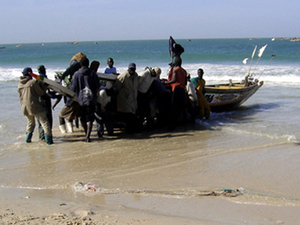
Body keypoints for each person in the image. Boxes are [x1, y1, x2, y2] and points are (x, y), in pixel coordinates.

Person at [17, 67, 53, 145]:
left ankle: (28, 140)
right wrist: (44, 86)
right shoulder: (32, 82)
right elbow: (41, 93)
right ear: (30, 74)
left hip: (24, 107)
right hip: (35, 106)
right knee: (45, 122)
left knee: (30, 123)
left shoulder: (19, 84)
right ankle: (49, 142)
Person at [71, 57, 100, 142]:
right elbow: (97, 86)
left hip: (81, 100)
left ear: (81, 64)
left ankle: (85, 133)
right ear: (88, 64)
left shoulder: (76, 74)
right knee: (90, 119)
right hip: (91, 99)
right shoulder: (93, 73)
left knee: (82, 118)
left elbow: (73, 88)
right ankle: (88, 136)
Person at [113, 62, 140, 133]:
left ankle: (131, 130)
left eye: (133, 69)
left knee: (132, 115)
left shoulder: (136, 75)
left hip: (133, 99)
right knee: (128, 115)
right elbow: (116, 87)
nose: (132, 71)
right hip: (125, 99)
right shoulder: (123, 76)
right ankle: (128, 131)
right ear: (128, 69)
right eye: (130, 69)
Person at [163, 56, 188, 125]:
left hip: (176, 89)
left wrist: (165, 83)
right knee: (183, 108)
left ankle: (173, 125)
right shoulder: (184, 71)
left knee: (174, 107)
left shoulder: (175, 69)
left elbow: (174, 80)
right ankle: (185, 124)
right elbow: (185, 82)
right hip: (182, 90)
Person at [36, 65, 53, 141]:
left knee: (40, 120)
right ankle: (48, 136)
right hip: (45, 100)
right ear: (44, 70)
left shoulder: (36, 79)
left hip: (38, 100)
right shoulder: (44, 78)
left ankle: (41, 136)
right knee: (48, 119)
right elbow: (48, 89)